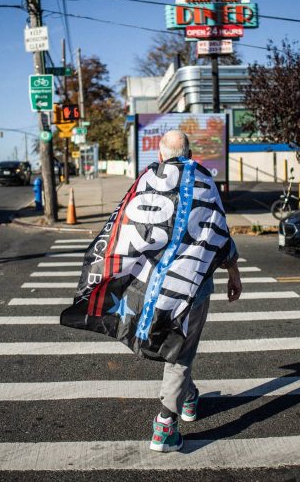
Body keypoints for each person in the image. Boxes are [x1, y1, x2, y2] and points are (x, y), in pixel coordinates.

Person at [60, 130, 242, 453]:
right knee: (181, 350)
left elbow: (127, 225)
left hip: (154, 283)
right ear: (189, 153)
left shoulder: (146, 180)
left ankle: (188, 398)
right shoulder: (204, 180)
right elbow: (219, 232)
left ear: (160, 155)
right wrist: (233, 272)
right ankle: (165, 426)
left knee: (177, 346)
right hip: (192, 285)